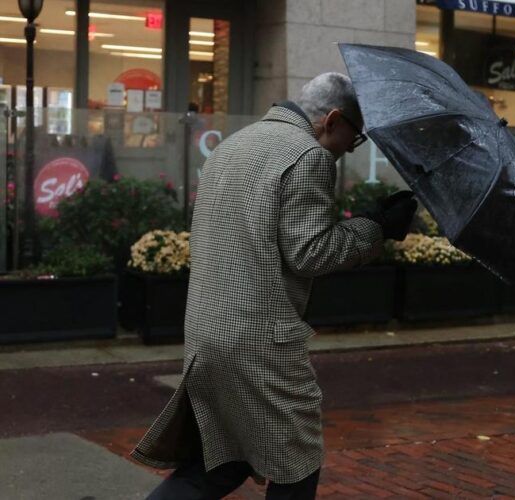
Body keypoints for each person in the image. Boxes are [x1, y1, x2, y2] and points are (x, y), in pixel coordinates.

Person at [132, 72, 417, 499]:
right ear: (332, 119)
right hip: (260, 342)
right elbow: (311, 253)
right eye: (353, 138)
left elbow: (266, 234)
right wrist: (376, 227)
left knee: (222, 462)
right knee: (296, 461)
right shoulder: (308, 156)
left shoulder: (234, 145)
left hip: (206, 336)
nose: (346, 150)